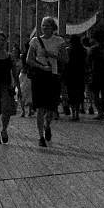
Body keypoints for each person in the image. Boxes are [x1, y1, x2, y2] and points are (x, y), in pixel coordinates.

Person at [25, 16, 67, 147]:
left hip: (53, 76)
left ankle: (47, 125)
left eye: (47, 26)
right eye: (43, 25)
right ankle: (40, 137)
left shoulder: (59, 41)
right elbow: (29, 60)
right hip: (39, 76)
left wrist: (51, 55)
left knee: (51, 108)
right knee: (40, 108)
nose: (44, 28)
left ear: (53, 27)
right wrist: (41, 66)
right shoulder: (35, 41)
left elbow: (65, 59)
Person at [63, 34, 87, 121]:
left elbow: (65, 62)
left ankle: (73, 113)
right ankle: (77, 113)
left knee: (71, 94)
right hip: (80, 74)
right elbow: (86, 63)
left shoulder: (68, 50)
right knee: (79, 94)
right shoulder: (83, 51)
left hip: (70, 74)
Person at [88, 28, 104, 119]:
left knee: (95, 94)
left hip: (95, 73)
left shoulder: (93, 49)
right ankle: (102, 112)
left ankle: (99, 112)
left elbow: (88, 61)